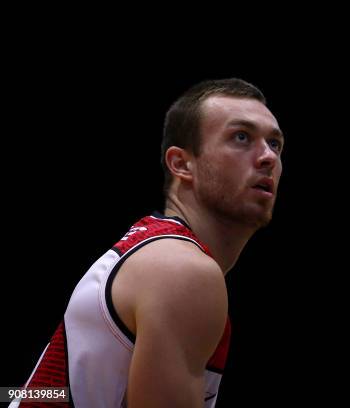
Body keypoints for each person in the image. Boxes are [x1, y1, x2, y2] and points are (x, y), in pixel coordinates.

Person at [10, 78, 284, 407]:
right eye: (241, 137)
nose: (268, 157)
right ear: (182, 164)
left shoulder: (158, 250)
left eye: (275, 144)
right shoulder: (181, 270)